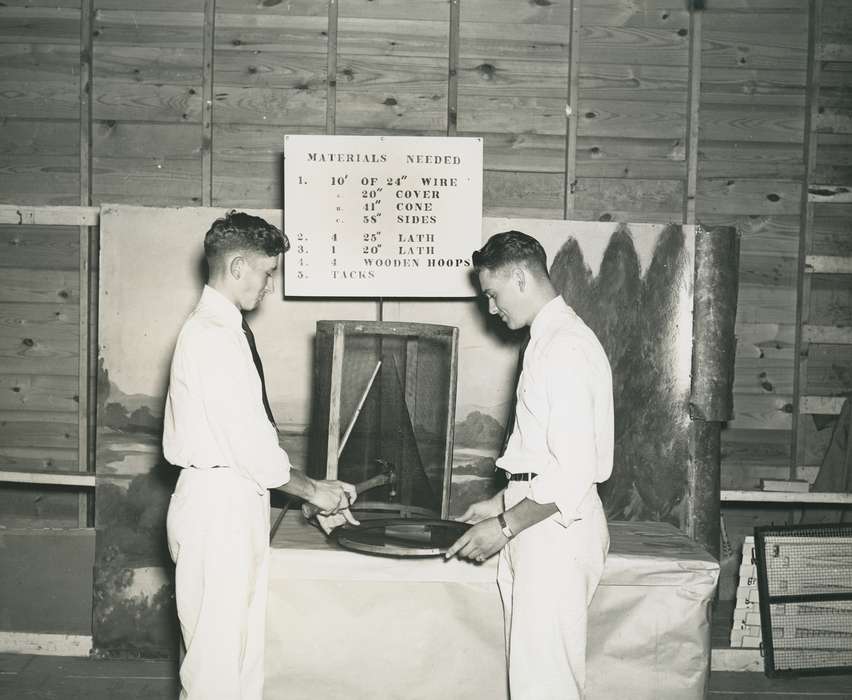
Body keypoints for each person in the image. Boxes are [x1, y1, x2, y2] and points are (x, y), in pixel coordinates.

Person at [163, 210, 358, 700]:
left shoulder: (226, 332)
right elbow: (251, 447)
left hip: (236, 500)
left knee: (240, 664)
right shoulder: (210, 336)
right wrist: (314, 490)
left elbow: (255, 446)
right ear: (236, 269)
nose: (269, 287)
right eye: (267, 274)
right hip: (216, 507)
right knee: (214, 670)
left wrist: (310, 495)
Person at [445, 230, 614, 700]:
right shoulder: (548, 340)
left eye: (494, 295)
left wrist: (504, 525)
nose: (493, 309)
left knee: (546, 685)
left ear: (520, 276)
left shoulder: (564, 347)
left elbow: (575, 468)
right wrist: (501, 501)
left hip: (556, 530)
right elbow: (545, 454)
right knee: (532, 681)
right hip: (536, 520)